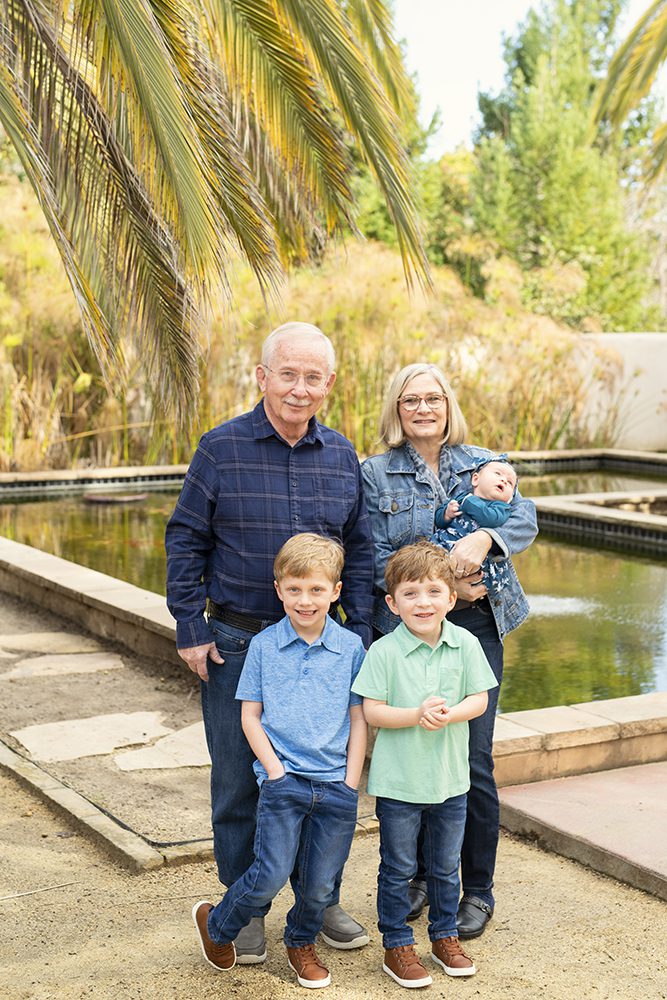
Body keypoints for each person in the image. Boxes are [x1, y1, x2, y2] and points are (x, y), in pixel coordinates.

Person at [166, 322, 374, 962]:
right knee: (237, 779)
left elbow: (360, 550)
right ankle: (245, 903)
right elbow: (185, 539)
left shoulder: (341, 456)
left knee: (325, 777)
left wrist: (359, 632)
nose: (300, 388)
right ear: (263, 376)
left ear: (328, 384)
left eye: (314, 377)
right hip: (236, 640)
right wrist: (191, 627)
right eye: (289, 373)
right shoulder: (220, 448)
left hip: (322, 650)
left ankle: (319, 901)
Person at [361, 363, 537, 939]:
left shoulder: (482, 461)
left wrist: (487, 536)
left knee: (473, 760)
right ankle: (414, 879)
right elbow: (374, 554)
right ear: (397, 408)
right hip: (410, 631)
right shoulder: (376, 473)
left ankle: (476, 890)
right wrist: (443, 588)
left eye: (432, 398)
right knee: (413, 753)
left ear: (447, 404)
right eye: (410, 399)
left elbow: (526, 517)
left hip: (477, 627)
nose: (423, 409)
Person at [192, 533, 367, 989]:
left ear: (335, 591)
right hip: (283, 782)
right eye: (294, 590)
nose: (304, 600)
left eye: (315, 590)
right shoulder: (265, 647)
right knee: (268, 873)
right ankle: (217, 925)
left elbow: (359, 718)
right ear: (279, 590)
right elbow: (250, 716)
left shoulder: (350, 648)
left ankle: (300, 942)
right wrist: (275, 771)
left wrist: (351, 781)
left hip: (335, 784)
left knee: (319, 885)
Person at [351, 542, 498, 988]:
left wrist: (449, 714)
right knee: (397, 866)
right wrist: (416, 715)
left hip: (451, 782)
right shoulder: (384, 653)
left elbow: (480, 699)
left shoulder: (466, 643)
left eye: (434, 592)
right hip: (399, 785)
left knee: (444, 864)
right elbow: (372, 711)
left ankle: (444, 936)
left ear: (451, 599)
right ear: (392, 604)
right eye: (411, 594)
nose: (424, 602)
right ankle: (396, 942)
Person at [432, 458, 519, 599]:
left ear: (510, 498)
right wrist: (446, 514)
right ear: (475, 479)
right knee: (427, 561)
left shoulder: (501, 508)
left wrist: (469, 502)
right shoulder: (462, 496)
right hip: (446, 543)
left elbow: (490, 519)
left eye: (510, 483)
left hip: (476, 559)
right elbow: (439, 522)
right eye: (498, 474)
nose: (504, 480)